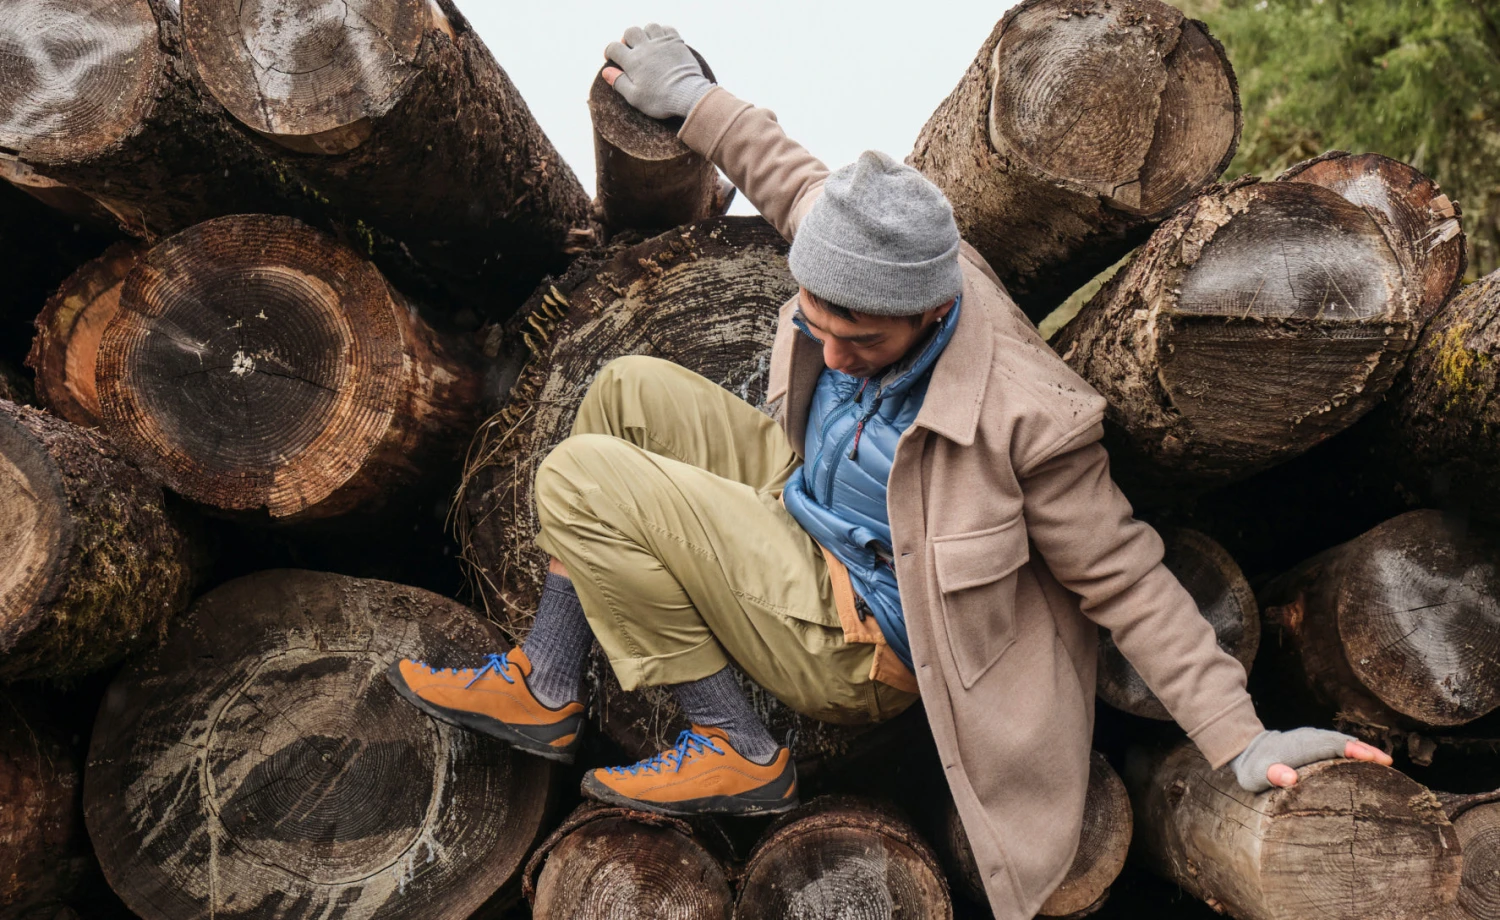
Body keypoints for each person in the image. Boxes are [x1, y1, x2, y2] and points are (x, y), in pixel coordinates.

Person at [387, 23, 1393, 917]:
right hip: (808, 504)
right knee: (623, 390)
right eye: (814, 322)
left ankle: (733, 745)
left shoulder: (1026, 418)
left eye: (859, 339)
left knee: (582, 478)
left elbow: (1125, 576)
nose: (830, 351)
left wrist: (1240, 737)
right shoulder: (867, 253)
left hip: (859, 629)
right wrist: (690, 96)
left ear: (929, 309)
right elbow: (787, 170)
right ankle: (547, 678)